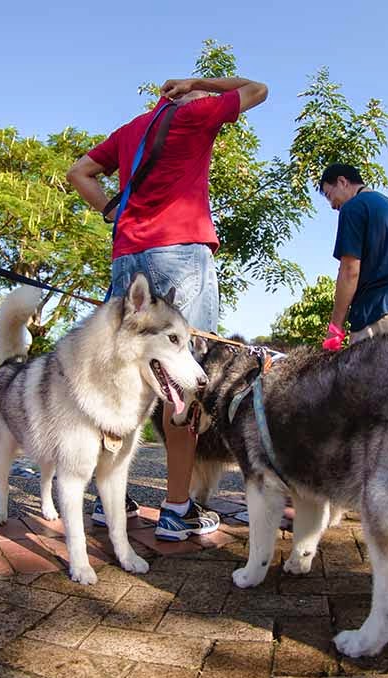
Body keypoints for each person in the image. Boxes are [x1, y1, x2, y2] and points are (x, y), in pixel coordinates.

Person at [67, 74, 268, 540]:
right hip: (180, 253)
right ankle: (178, 508)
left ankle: (108, 501)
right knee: (188, 376)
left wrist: (114, 212)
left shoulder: (131, 130)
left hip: (127, 256)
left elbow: (79, 172)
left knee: (124, 376)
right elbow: (258, 89)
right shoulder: (197, 113)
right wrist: (203, 81)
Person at [318, 164, 388, 351]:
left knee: (361, 380)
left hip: (379, 310)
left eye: (329, 195)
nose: (333, 205)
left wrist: (335, 328)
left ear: (342, 182)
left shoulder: (353, 207)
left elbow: (349, 271)